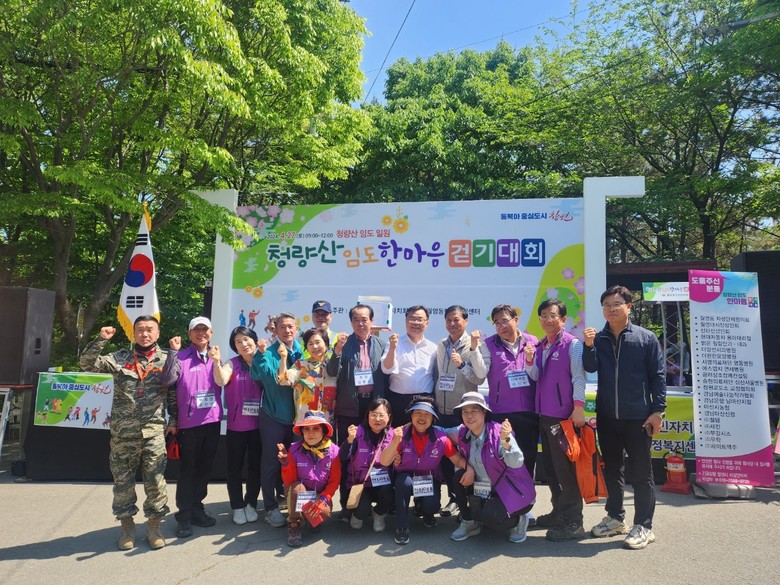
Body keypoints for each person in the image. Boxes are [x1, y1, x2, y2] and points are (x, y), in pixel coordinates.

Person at [79, 315, 177, 550]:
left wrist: (174, 420)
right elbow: (87, 364)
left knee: (156, 482)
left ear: (157, 333)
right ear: (133, 333)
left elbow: (174, 392)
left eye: (150, 329)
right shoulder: (119, 358)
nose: (145, 334)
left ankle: (154, 527)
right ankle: (127, 528)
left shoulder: (166, 359)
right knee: (123, 483)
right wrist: (101, 340)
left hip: (153, 433)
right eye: (140, 330)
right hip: (123, 433)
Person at [583, 285, 666, 550]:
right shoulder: (599, 339)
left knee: (641, 473)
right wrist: (588, 346)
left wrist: (657, 411)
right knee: (612, 469)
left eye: (616, 304)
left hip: (638, 417)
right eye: (606, 305)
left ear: (629, 306)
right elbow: (590, 367)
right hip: (607, 416)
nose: (611, 309)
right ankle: (616, 518)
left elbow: (658, 376)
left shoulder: (645, 338)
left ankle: (644, 525)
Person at [524, 299, 587, 540]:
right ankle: (559, 511)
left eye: (552, 315)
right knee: (550, 469)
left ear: (563, 319)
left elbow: (578, 378)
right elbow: (536, 376)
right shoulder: (541, 345)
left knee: (565, 471)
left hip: (563, 418)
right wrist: (530, 360)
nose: (548, 320)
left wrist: (578, 408)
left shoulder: (573, 345)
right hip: (544, 415)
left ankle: (574, 521)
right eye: (544, 316)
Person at [380, 396, 468, 545]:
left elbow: (458, 460)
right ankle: (402, 527)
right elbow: (384, 461)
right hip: (406, 477)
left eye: (427, 414)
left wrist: (472, 469)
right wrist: (395, 441)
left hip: (429, 478)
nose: (422, 417)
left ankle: (424, 509)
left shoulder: (441, 439)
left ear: (433, 418)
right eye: (418, 413)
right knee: (402, 483)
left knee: (431, 506)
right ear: (411, 415)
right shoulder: (401, 434)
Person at [449, 392, 536, 544]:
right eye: (465, 411)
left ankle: (519, 520)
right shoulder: (463, 431)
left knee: (490, 518)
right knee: (459, 477)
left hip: (511, 491)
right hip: (485, 488)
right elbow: (441, 432)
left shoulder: (499, 433)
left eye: (474, 410)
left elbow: (516, 462)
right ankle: (469, 522)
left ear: (484, 412)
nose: (469, 415)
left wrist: (506, 441)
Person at [167, 316, 223, 539]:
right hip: (189, 424)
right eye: (196, 329)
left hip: (212, 421)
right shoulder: (180, 357)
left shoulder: (215, 356)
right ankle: (184, 515)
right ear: (189, 334)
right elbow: (169, 386)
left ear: (211, 333)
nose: (201, 333)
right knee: (188, 470)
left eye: (205, 329)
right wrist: (173, 420)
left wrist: (217, 362)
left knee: (205, 468)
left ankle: (197, 508)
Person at [433, 305, 490, 517]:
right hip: (442, 410)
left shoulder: (475, 345)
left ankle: (469, 501)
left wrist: (461, 365)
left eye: (456, 319)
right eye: (448, 320)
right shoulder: (441, 344)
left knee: (467, 458)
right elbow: (438, 375)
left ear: (465, 321)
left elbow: (479, 378)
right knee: (447, 458)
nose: (452, 324)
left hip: (464, 414)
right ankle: (453, 498)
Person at [251, 312, 304, 528]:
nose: (287, 330)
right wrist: (260, 354)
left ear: (296, 329)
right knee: (271, 462)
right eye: (282, 327)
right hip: (273, 416)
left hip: (298, 418)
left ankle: (293, 503)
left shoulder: (302, 351)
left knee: (296, 462)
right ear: (275, 329)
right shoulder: (269, 353)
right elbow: (260, 374)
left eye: (291, 326)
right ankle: (270, 507)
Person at [211, 326, 262, 526]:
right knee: (234, 468)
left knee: (255, 467)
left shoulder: (263, 361)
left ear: (254, 340)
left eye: (246, 339)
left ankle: (251, 504)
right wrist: (217, 362)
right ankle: (237, 506)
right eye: (238, 342)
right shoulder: (232, 364)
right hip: (236, 426)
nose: (243, 344)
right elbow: (221, 379)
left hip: (260, 426)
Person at [484, 304, 540, 478]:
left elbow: (538, 373)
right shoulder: (489, 344)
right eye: (496, 323)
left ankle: (527, 491)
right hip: (502, 411)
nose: (501, 326)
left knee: (527, 456)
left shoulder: (533, 341)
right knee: (503, 457)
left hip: (528, 410)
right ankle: (504, 493)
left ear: (516, 320)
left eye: (504, 321)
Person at [278, 411, 342, 547]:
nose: (310, 433)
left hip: (319, 495)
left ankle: (310, 519)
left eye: (315, 428)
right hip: (299, 493)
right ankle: (294, 524)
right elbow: (289, 482)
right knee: (296, 487)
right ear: (302, 432)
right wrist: (285, 464)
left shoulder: (335, 452)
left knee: (322, 514)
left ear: (324, 431)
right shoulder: (294, 449)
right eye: (306, 429)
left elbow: (334, 482)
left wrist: (323, 500)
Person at [327, 304, 388, 443]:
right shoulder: (343, 344)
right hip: (349, 404)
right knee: (348, 443)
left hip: (373, 403)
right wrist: (337, 350)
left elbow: (387, 376)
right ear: (351, 322)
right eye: (356, 320)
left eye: (364, 319)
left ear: (371, 321)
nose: (360, 324)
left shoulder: (382, 345)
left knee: (371, 443)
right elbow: (332, 371)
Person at [339, 398, 395, 532]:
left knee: (389, 494)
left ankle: (379, 513)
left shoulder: (393, 435)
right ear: (367, 415)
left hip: (382, 482)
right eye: (373, 414)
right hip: (360, 483)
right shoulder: (357, 432)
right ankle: (358, 514)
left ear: (388, 417)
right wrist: (349, 440)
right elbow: (343, 456)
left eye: (381, 415)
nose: (377, 419)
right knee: (360, 514)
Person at [381, 305, 437, 425]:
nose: (416, 323)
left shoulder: (433, 348)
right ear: (406, 321)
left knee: (422, 434)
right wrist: (392, 348)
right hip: (398, 400)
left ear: (427, 323)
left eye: (420, 319)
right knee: (398, 433)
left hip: (424, 401)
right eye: (412, 319)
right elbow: (386, 369)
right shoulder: (394, 343)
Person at [278, 328, 337, 424]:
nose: (314, 346)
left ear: (326, 344)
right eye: (310, 344)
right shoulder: (301, 365)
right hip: (304, 424)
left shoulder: (334, 366)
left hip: (327, 424)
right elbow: (283, 379)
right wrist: (283, 358)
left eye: (317, 342)